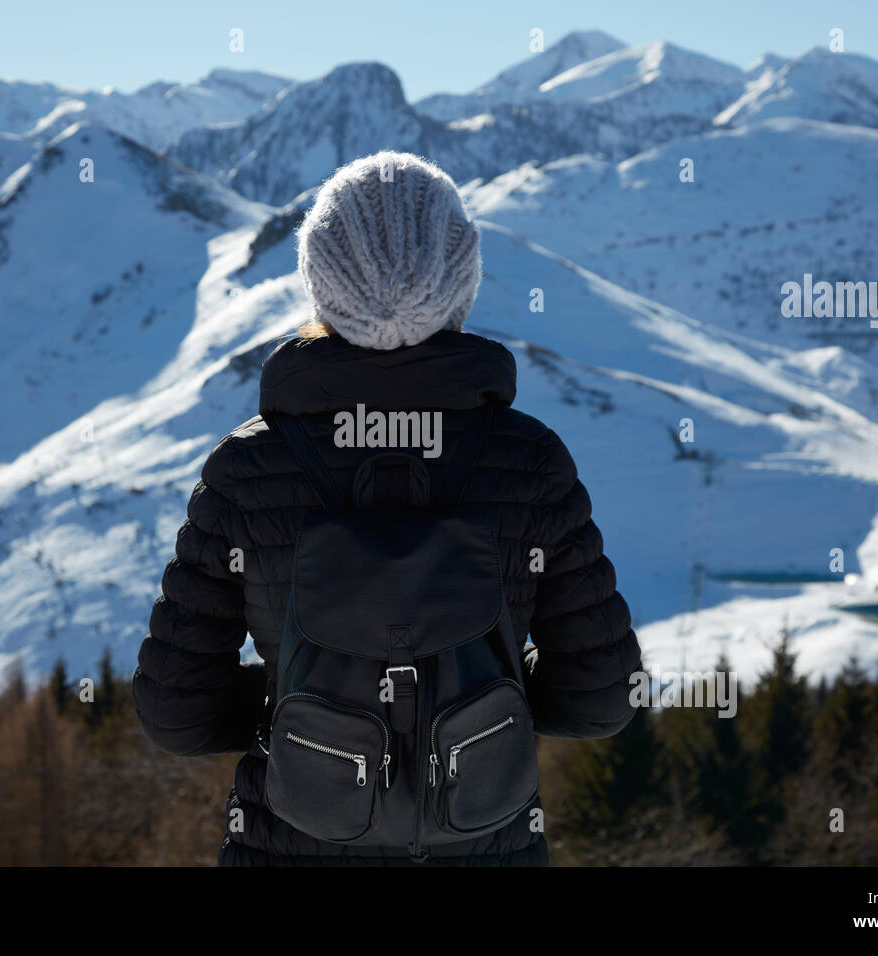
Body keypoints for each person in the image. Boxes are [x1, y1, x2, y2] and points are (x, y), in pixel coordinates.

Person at [133, 150, 642, 866]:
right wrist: (481, 693)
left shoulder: (247, 469)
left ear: (321, 283)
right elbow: (601, 698)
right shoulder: (531, 462)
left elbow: (176, 713)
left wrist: (300, 700)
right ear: (462, 278)